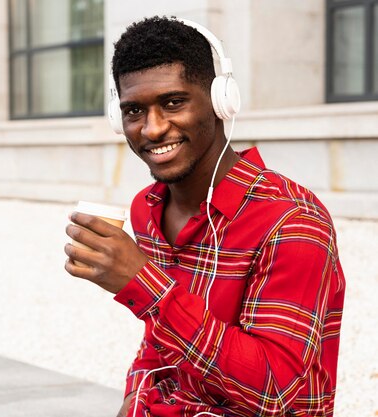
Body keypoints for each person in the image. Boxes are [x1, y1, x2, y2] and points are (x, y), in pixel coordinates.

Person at [64, 16, 345, 417]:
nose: (153, 128)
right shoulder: (147, 208)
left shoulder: (291, 221)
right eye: (133, 111)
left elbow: (274, 391)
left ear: (219, 102)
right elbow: (158, 341)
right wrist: (134, 395)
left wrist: (143, 282)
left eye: (173, 102)